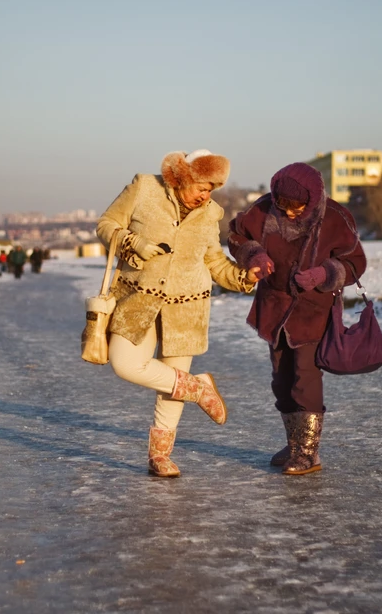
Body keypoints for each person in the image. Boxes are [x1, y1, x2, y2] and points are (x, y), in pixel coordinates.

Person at [95, 150, 261, 477]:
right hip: (138, 299)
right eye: (202, 186)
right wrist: (133, 243)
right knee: (125, 363)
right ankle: (198, 388)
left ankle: (160, 456)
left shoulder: (211, 213)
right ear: (182, 177)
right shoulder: (144, 188)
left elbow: (213, 261)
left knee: (169, 389)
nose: (206, 195)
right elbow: (106, 224)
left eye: (212, 188)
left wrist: (244, 277)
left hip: (187, 308)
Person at [228, 162, 366, 475]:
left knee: (306, 376)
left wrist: (324, 273)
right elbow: (236, 236)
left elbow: (355, 261)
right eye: (283, 207)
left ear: (313, 199)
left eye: (297, 208)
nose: (290, 214)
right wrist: (254, 255)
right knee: (282, 379)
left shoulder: (335, 217)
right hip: (274, 308)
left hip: (313, 312)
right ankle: (293, 443)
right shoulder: (262, 210)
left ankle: (308, 452)